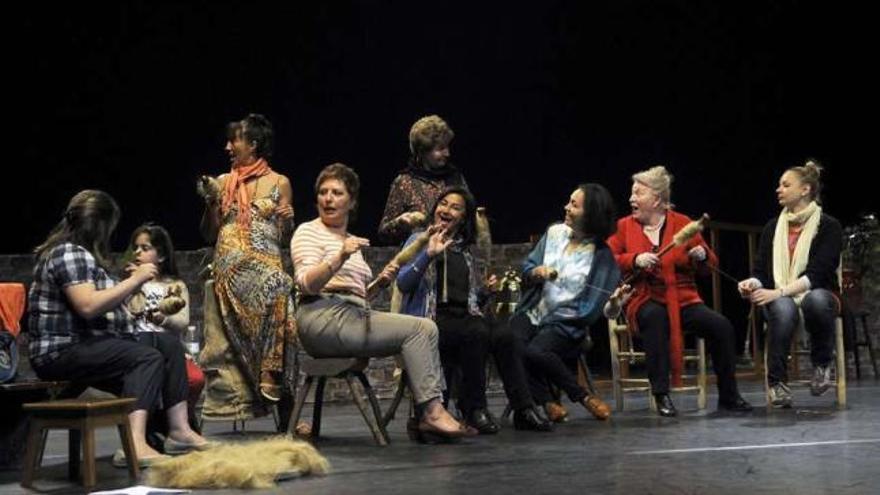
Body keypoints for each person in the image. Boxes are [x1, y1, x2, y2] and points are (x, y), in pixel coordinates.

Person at [28, 190, 208, 466]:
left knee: (167, 345)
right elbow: (88, 305)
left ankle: (179, 430)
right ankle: (134, 444)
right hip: (61, 350)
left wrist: (126, 288)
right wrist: (134, 281)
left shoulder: (83, 256)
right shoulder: (68, 253)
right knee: (146, 357)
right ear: (100, 225)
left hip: (85, 345)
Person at [291, 163, 468, 443]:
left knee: (426, 327)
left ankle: (429, 412)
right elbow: (307, 284)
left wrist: (378, 284)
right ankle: (432, 412)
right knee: (420, 329)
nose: (328, 198)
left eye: (337, 193)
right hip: (320, 316)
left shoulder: (349, 240)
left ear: (351, 202)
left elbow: (355, 294)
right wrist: (338, 257)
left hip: (350, 314)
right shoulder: (308, 232)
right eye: (323, 192)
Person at [397, 187, 552, 433]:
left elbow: (468, 301)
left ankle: (523, 408)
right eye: (443, 204)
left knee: (505, 334)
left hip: (463, 318)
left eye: (455, 207)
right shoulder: (419, 239)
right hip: (431, 320)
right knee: (476, 330)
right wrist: (427, 254)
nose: (446, 210)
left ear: (464, 217)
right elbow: (403, 282)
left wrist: (484, 293)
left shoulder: (464, 250)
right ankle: (474, 409)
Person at [607, 166, 752, 417]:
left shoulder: (683, 224)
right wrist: (635, 259)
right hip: (644, 297)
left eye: (638, 193)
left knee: (722, 327)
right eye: (632, 193)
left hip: (683, 298)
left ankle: (729, 396)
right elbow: (609, 259)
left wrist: (702, 255)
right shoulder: (623, 227)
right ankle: (661, 394)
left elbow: (710, 266)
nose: (631, 199)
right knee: (655, 318)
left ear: (657, 199)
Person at [199, 113, 297, 403]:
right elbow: (209, 233)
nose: (228, 148)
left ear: (253, 144)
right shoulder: (223, 182)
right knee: (280, 286)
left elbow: (284, 237)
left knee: (284, 301)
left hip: (268, 261)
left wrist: (288, 220)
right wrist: (211, 203)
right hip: (233, 261)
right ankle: (271, 376)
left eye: (234, 141)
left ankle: (279, 387)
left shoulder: (280, 182)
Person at [510, 184, 619, 422]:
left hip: (566, 323)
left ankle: (576, 397)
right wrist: (537, 271)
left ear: (590, 214)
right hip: (533, 312)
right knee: (509, 341)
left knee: (534, 351)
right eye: (569, 202)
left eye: (574, 205)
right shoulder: (555, 233)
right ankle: (555, 399)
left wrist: (563, 318)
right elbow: (527, 268)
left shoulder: (602, 256)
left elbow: (591, 311)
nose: (566, 208)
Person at [738, 160, 842, 408]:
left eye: (785, 185)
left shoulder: (828, 226)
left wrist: (777, 291)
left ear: (805, 189)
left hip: (821, 296)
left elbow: (817, 275)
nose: (778, 189)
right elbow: (761, 272)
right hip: (781, 299)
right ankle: (777, 382)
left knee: (813, 298)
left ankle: (821, 365)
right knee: (783, 307)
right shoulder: (773, 227)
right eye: (779, 185)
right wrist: (751, 284)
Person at [123, 223, 204, 435]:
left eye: (145, 248)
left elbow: (182, 322)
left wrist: (162, 319)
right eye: (136, 248)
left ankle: (176, 423)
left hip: (171, 350)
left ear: (161, 256)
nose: (137, 252)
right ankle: (146, 429)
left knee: (195, 378)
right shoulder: (130, 283)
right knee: (148, 349)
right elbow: (129, 314)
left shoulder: (175, 286)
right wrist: (136, 283)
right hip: (140, 348)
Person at [377, 115, 469, 245]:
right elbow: (384, 233)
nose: (447, 153)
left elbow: (470, 222)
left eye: (447, 147)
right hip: (418, 258)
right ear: (423, 152)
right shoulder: (404, 182)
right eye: (440, 149)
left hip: (454, 255)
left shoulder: (455, 178)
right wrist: (400, 223)